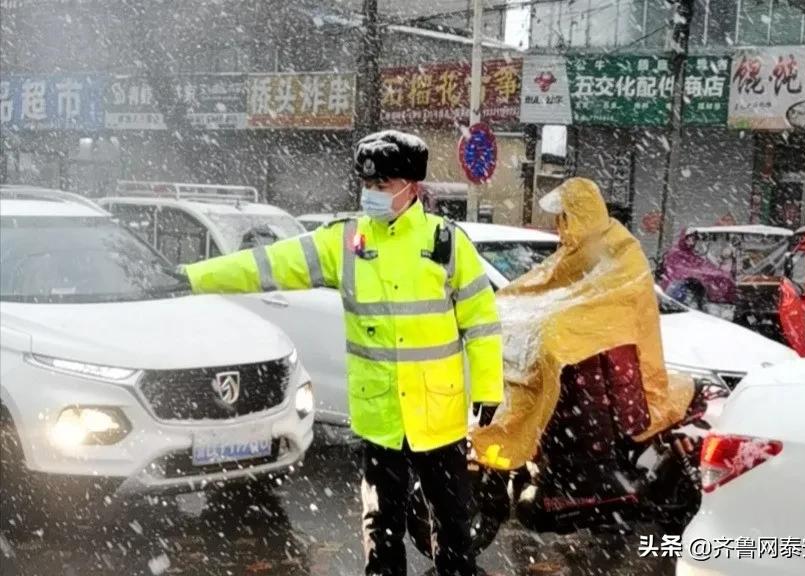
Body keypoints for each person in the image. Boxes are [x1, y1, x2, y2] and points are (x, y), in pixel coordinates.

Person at [182, 129, 503, 576]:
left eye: (383, 185)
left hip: (439, 414)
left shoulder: (445, 244)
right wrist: (193, 277)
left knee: (452, 523)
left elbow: (481, 322)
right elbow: (269, 264)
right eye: (368, 185)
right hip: (381, 416)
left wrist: (487, 386)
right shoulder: (347, 242)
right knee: (381, 525)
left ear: (412, 186)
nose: (373, 194)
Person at [470, 177, 693, 484]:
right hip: (595, 374)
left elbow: (602, 301)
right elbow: (543, 286)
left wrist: (557, 327)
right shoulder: (576, 250)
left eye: (563, 217)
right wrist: (502, 308)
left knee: (556, 356)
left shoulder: (619, 247)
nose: (559, 226)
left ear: (578, 214)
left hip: (616, 366)